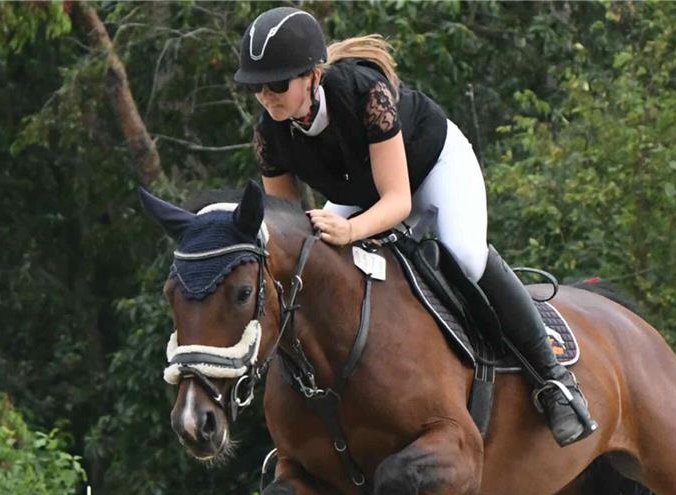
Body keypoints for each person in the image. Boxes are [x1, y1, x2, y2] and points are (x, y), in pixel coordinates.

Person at [234, 7, 596, 446]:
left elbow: (399, 201)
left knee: (463, 255)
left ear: (312, 76)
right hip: (364, 195)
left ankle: (554, 382)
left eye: (277, 84)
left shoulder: (365, 92)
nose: (267, 96)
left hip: (432, 168)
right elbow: (288, 232)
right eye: (256, 87)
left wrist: (348, 233)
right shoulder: (269, 134)